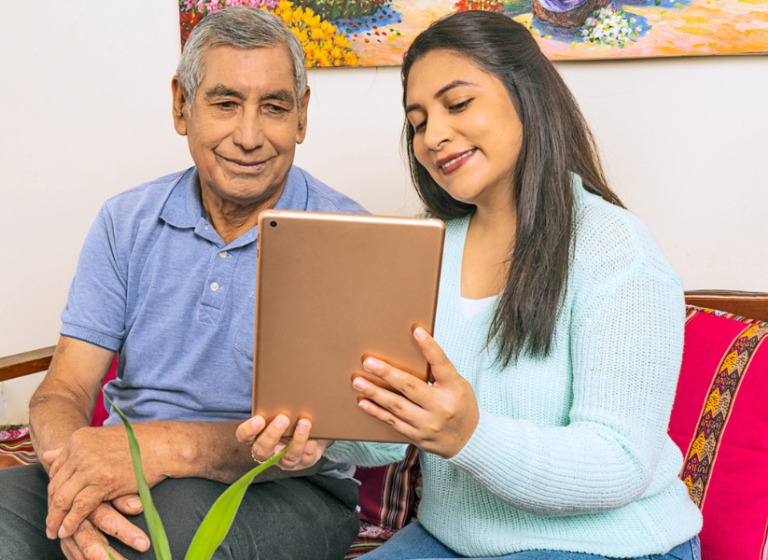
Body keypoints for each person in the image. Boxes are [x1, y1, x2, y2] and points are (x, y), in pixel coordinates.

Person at [238, 10, 703, 560]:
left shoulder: (616, 250)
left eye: (457, 104)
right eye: (417, 121)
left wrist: (469, 437)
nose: (433, 135)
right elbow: (393, 424)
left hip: (607, 545)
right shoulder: (427, 249)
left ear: (527, 95)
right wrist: (315, 440)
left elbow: (621, 461)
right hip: (452, 540)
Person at [0, 7, 365, 560]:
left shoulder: (349, 238)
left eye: (274, 107)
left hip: (287, 488)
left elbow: (324, 436)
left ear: (301, 118)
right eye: (225, 104)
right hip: (125, 469)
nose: (249, 136)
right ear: (182, 106)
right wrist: (76, 489)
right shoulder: (125, 220)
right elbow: (64, 391)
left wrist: (164, 447)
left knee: (136, 548)